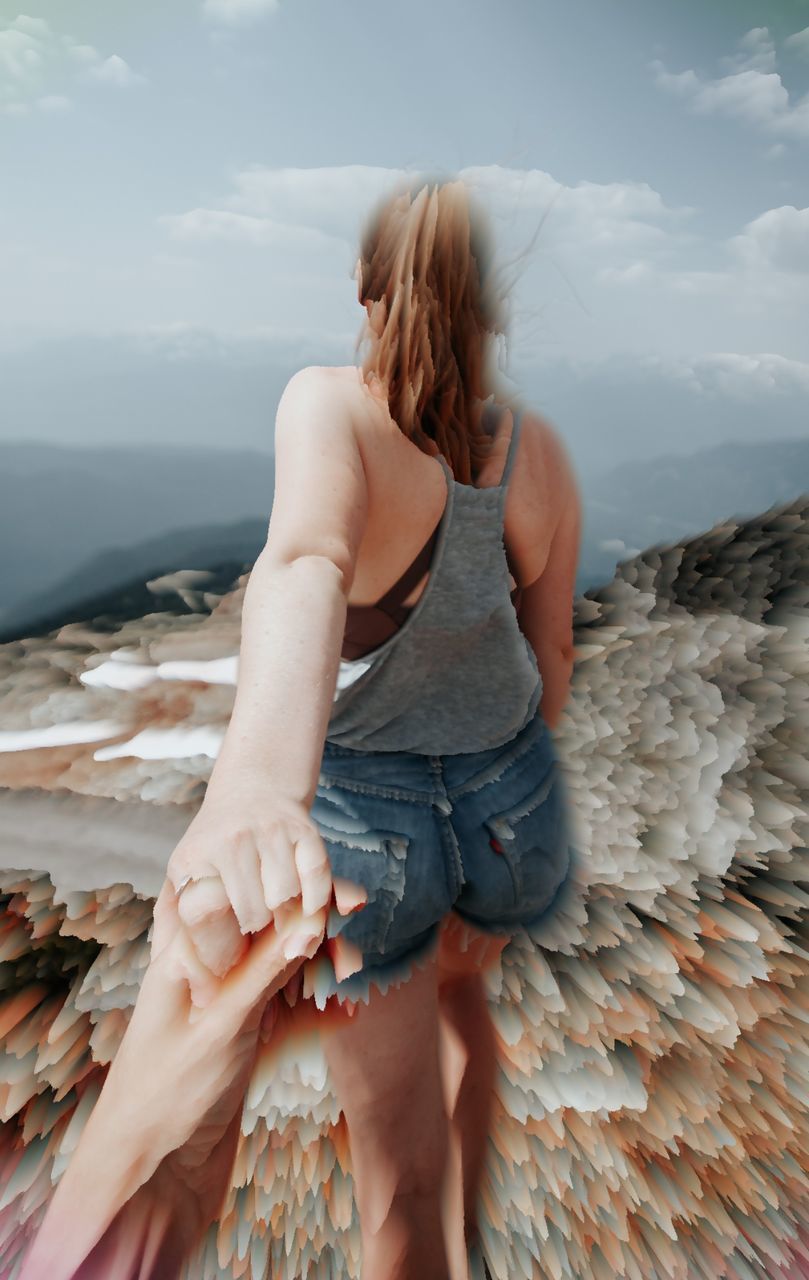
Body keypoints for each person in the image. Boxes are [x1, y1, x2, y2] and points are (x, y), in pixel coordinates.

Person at [21, 174, 581, 1280]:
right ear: (492, 304)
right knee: (465, 988)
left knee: (395, 1182)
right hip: (512, 818)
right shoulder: (540, 455)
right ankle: (463, 1015)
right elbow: (548, 655)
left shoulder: (329, 405)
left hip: (371, 831)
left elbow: (306, 559)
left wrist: (257, 788)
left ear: (366, 289)